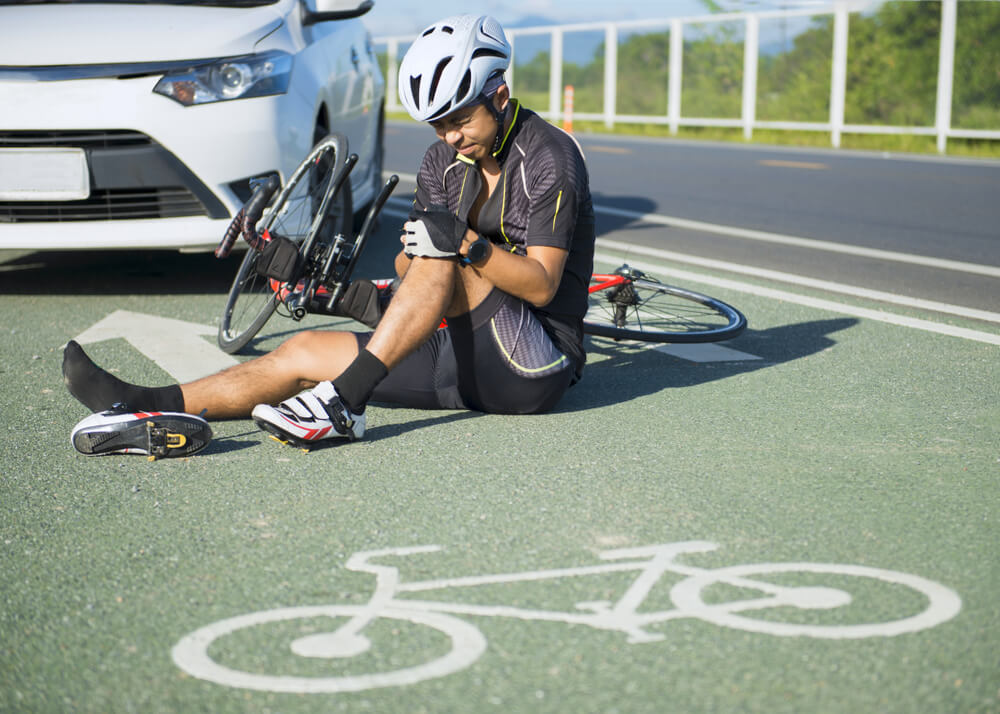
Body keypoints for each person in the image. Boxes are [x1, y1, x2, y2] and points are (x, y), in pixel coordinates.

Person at [64, 14, 596, 457]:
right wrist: (420, 251)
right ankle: (144, 403)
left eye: (460, 120)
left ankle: (343, 404)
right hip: (459, 356)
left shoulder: (549, 156)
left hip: (533, 363)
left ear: (499, 95)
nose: (452, 137)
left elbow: (543, 285)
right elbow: (410, 271)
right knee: (300, 351)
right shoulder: (444, 160)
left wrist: (465, 245)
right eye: (438, 126)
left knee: (442, 249)